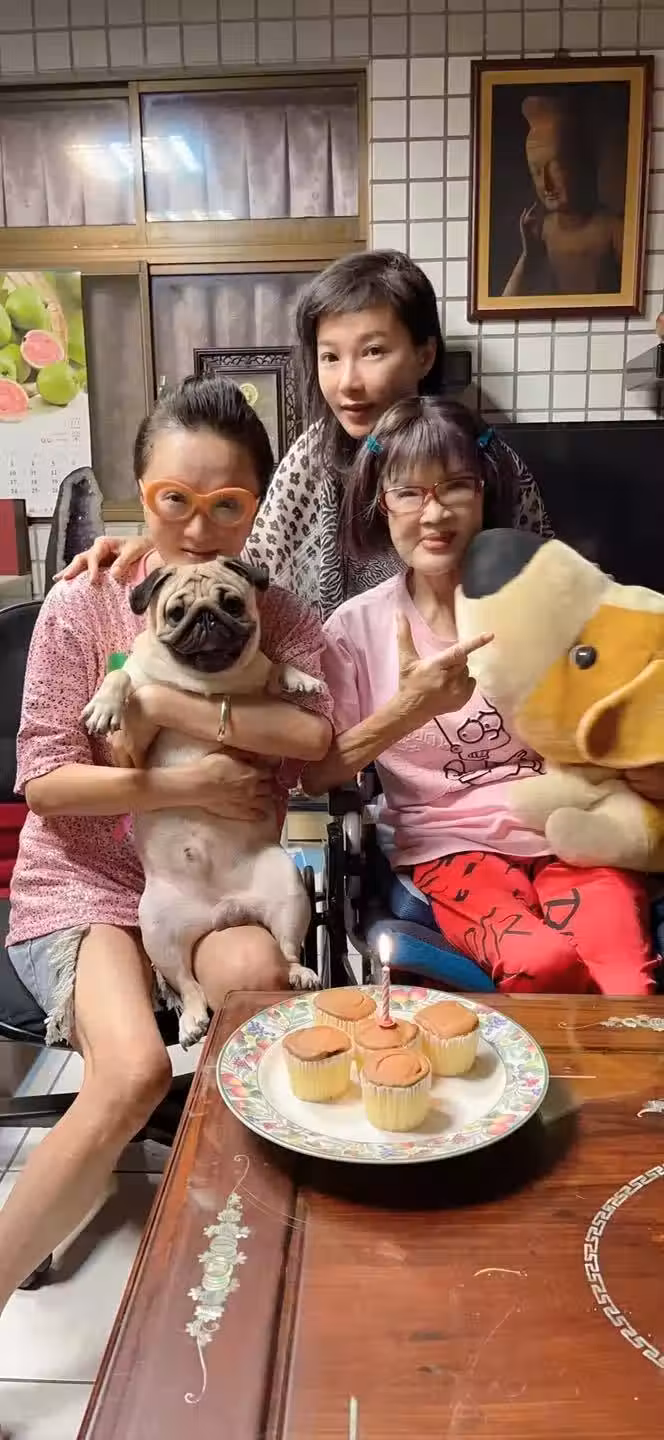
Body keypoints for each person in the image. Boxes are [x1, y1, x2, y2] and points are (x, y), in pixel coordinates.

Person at [0, 376, 333, 1308]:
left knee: (258, 985)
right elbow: (46, 783)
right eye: (173, 499)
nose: (197, 527)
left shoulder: (276, 607)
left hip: (218, 875)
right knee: (136, 1072)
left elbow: (314, 738)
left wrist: (173, 708)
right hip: (85, 885)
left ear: (257, 505)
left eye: (227, 504)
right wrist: (187, 781)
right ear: (140, 492)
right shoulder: (84, 601)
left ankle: (249, 1253)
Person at [302, 396, 656, 997]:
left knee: (626, 981)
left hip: (570, 828)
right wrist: (410, 709)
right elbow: (317, 774)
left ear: (484, 491)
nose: (434, 513)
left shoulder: (549, 599)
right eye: (408, 493)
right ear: (382, 503)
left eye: (455, 487)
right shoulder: (355, 630)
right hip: (449, 848)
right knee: (543, 963)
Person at [58, 250, 553, 618]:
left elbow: (546, 583)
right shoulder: (313, 456)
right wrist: (155, 546)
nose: (348, 381)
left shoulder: (484, 455)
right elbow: (251, 558)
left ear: (424, 355)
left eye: (373, 352)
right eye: (330, 356)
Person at [503, 95, 623, 298]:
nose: (547, 184)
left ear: (582, 163)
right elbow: (505, 303)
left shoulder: (612, 229)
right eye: (536, 172)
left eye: (557, 168)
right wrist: (528, 255)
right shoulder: (543, 231)